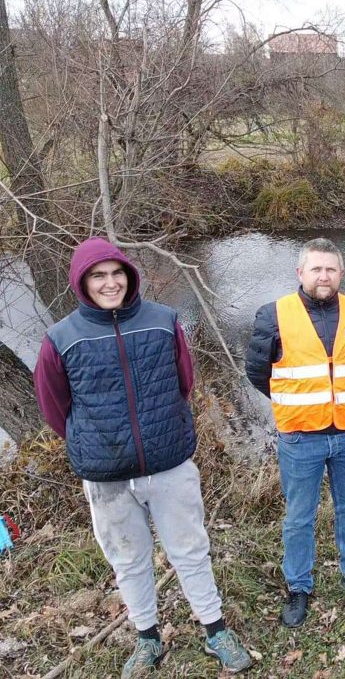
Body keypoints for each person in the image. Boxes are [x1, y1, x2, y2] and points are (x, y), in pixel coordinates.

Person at [34, 237, 251, 677]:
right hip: (107, 477)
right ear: (82, 282)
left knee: (190, 550)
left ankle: (216, 631)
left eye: (117, 273)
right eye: (99, 275)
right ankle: (147, 638)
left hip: (168, 463)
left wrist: (158, 430)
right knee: (128, 559)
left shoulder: (162, 321)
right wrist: (96, 441)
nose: (110, 283)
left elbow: (184, 382)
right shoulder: (61, 339)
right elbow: (55, 408)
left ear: (130, 276)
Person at [245, 238, 345, 628]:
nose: (324, 276)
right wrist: (296, 402)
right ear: (300, 273)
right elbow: (258, 372)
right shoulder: (273, 315)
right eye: (316, 269)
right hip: (301, 435)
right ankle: (299, 586)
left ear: (341, 272)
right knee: (299, 515)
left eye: (331, 269)